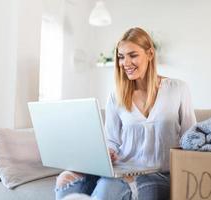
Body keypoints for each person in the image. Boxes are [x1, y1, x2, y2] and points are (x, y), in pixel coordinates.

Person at [54, 27, 196, 200]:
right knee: (66, 179)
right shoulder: (116, 96)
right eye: (121, 57)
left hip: (160, 174)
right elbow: (111, 140)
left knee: (109, 186)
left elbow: (191, 140)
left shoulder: (178, 89)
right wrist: (109, 152)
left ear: (150, 54)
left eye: (132, 55)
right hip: (122, 169)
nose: (125, 63)